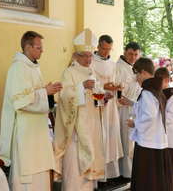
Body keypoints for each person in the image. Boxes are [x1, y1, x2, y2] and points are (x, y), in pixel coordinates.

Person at [0, 31, 63, 190]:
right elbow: (21, 101)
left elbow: (33, 93)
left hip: (37, 129)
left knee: (40, 169)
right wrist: (45, 92)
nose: (42, 51)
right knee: (28, 172)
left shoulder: (33, 67)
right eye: (39, 48)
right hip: (25, 130)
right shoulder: (19, 68)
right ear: (28, 47)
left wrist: (48, 94)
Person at [53, 28, 105, 191]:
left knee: (87, 174)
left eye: (91, 56)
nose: (89, 60)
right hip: (76, 129)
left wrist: (105, 97)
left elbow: (96, 96)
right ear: (77, 56)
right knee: (75, 169)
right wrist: (81, 87)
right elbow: (63, 96)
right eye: (85, 56)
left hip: (91, 124)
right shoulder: (69, 72)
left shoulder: (91, 72)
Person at [118, 58, 173, 191]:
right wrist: (131, 103)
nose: (135, 77)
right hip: (155, 140)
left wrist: (134, 123)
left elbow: (149, 115)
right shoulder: (155, 89)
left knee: (147, 178)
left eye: (136, 73)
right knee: (154, 179)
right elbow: (150, 108)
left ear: (143, 72)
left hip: (148, 142)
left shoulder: (148, 91)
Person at [90, 34, 123, 182]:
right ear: (98, 46)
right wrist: (103, 87)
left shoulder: (113, 65)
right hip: (96, 105)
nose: (107, 53)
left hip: (110, 107)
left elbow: (116, 81)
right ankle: (98, 175)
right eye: (105, 49)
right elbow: (88, 83)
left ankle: (109, 174)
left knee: (110, 138)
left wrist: (117, 88)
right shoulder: (90, 62)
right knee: (99, 137)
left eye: (110, 50)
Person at [116, 42, 141, 179]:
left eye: (136, 55)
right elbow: (119, 90)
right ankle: (125, 171)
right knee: (126, 140)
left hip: (136, 107)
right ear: (125, 53)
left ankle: (133, 170)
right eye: (130, 54)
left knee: (134, 141)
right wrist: (136, 84)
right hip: (123, 110)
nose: (133, 57)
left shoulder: (138, 67)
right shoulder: (118, 67)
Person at [154, 67, 173, 191]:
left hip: (169, 137)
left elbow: (171, 117)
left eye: (158, 80)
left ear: (166, 80)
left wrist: (155, 119)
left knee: (171, 168)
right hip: (161, 136)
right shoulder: (160, 94)